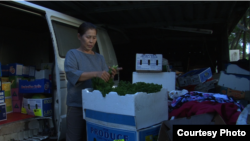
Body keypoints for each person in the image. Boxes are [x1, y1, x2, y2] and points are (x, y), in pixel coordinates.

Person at [64, 22, 120, 141]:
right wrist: (96, 73)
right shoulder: (72, 54)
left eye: (94, 38)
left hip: (96, 106)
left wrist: (110, 75)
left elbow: (104, 80)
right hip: (77, 105)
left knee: (92, 137)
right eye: (88, 37)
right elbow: (72, 75)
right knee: (74, 138)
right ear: (79, 36)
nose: (91, 41)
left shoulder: (100, 58)